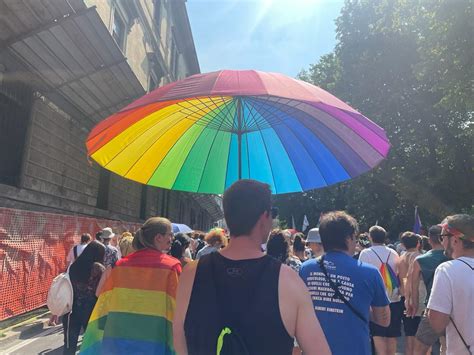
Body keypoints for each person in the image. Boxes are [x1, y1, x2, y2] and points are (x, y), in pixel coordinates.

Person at [173, 179, 330, 355]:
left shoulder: (191, 274)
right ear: (264, 216)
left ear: (228, 216)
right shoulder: (289, 281)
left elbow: (179, 340)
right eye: (274, 213)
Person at [81, 217, 181, 354]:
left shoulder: (119, 266)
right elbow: (178, 308)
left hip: (119, 340)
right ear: (158, 237)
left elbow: (105, 301)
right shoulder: (171, 267)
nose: (172, 238)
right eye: (170, 234)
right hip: (154, 340)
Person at [299, 211, 390, 355]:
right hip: (355, 348)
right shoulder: (369, 273)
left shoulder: (306, 269)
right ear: (349, 238)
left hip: (314, 349)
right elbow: (384, 319)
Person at [427, 214, 474, 355]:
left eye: (442, 237)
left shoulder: (447, 270)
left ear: (454, 240)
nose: (441, 242)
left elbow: (437, 323)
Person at [406, 225, 449, 354]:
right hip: (454, 307)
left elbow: (414, 287)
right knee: (447, 346)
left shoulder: (420, 260)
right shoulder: (453, 256)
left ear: (429, 240)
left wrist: (413, 305)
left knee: (420, 348)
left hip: (433, 306)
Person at [359, 225, 402, 355]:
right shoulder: (393, 253)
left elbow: (361, 276)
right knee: (392, 335)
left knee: (378, 334)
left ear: (371, 238)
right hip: (394, 297)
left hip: (374, 300)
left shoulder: (365, 253)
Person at [62, 241, 105, 354]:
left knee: (69, 345)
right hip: (91, 310)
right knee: (92, 344)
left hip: (71, 309)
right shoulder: (98, 268)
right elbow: (101, 290)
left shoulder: (74, 266)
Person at [398, 232, 423, 355]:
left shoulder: (400, 258)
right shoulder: (420, 258)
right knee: (421, 338)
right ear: (418, 243)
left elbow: (402, 279)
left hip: (403, 298)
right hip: (417, 298)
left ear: (402, 244)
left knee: (409, 334)